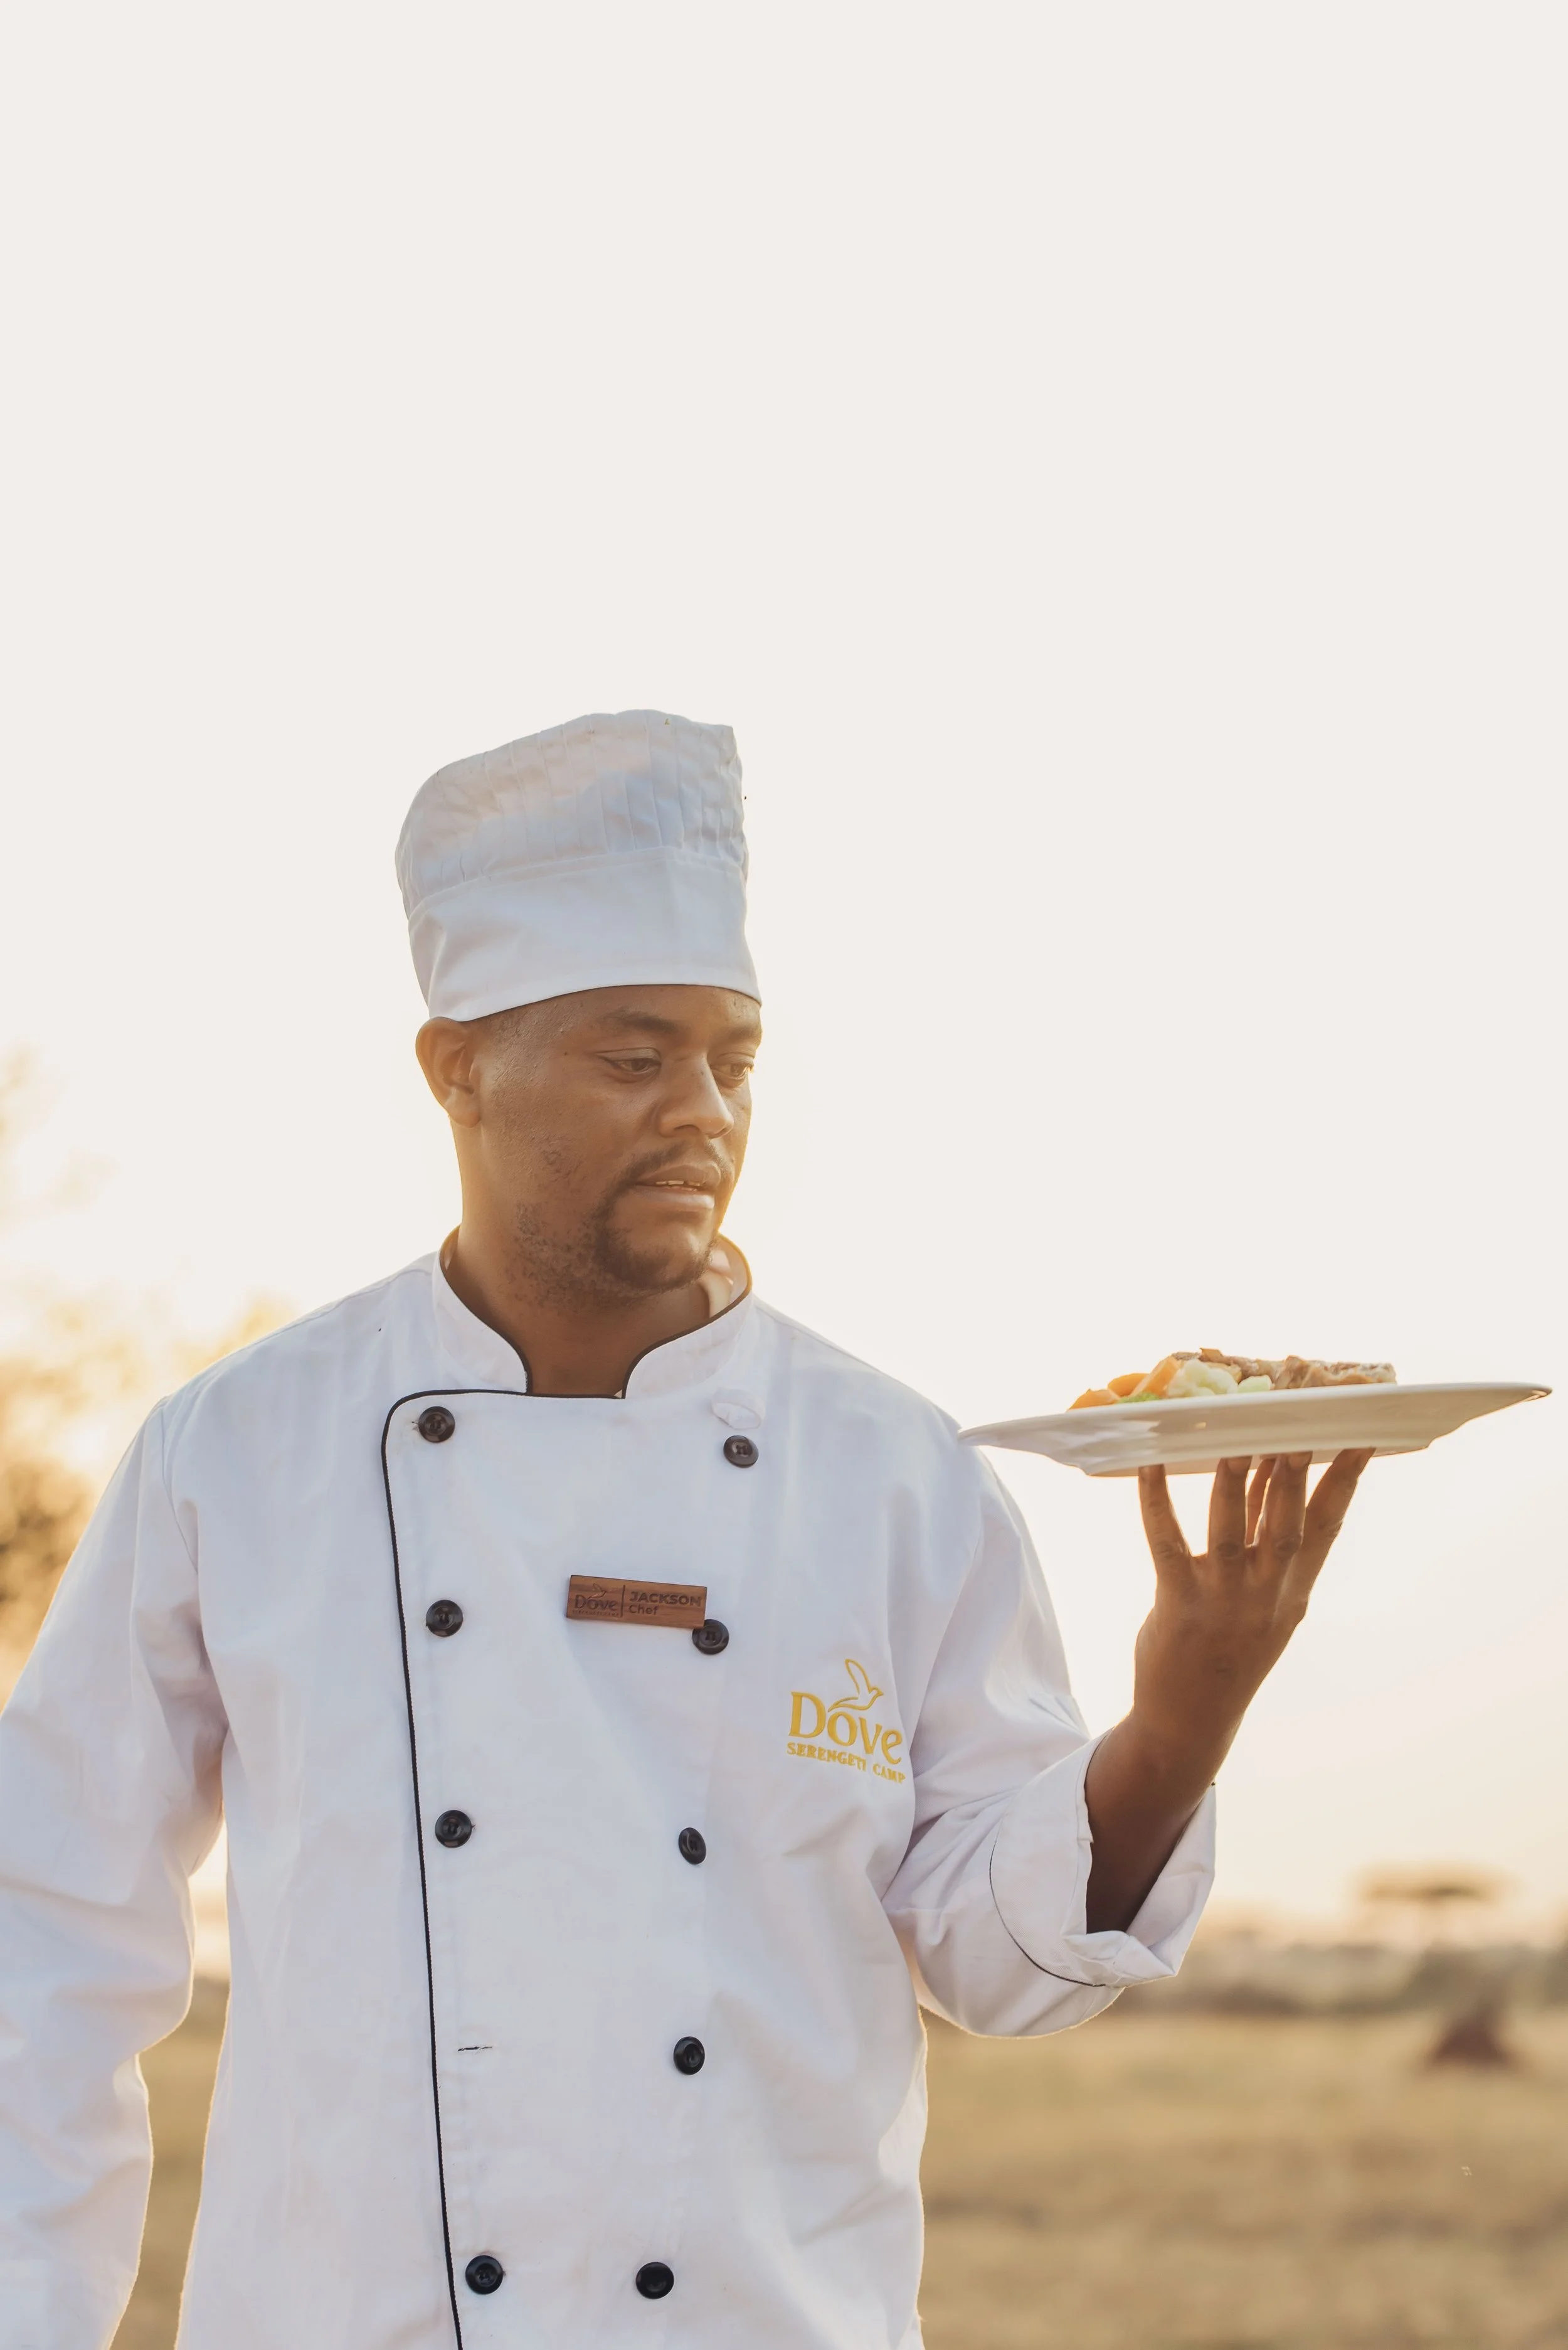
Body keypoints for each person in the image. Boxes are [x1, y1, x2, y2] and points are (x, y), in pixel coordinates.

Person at [0, 711, 1371, 2349]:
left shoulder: (891, 1472)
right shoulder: (239, 1453)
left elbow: (998, 1965)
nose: (704, 1112)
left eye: (735, 1059)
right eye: (634, 1057)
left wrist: (1182, 1719)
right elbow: (47, 1938)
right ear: (456, 1070)